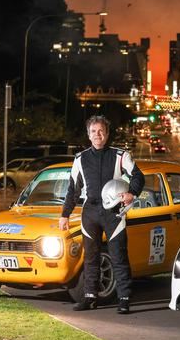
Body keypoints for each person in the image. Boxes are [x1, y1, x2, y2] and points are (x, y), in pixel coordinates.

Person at [60, 115, 145, 314]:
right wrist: (65, 214)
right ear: (88, 135)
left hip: (113, 213)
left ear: (106, 134)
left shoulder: (120, 155)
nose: (97, 135)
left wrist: (132, 193)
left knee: (118, 256)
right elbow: (73, 189)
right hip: (89, 212)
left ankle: (124, 299)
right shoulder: (80, 159)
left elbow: (138, 176)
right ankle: (90, 297)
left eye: (101, 131)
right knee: (90, 258)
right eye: (93, 131)